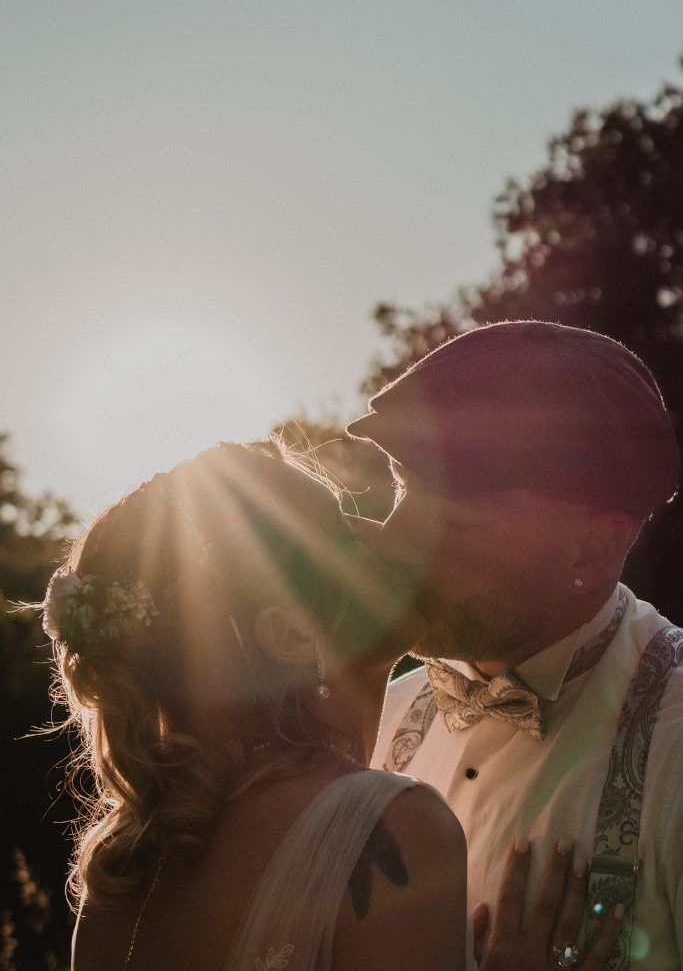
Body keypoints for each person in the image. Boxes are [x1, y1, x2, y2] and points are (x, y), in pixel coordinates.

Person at [39, 438, 620, 970]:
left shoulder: (121, 865)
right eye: (344, 535)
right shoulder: (384, 824)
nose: (385, 537)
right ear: (290, 635)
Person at [347, 319, 683, 971]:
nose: (390, 543)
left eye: (452, 522)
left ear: (590, 548)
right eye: (399, 491)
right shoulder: (379, 720)